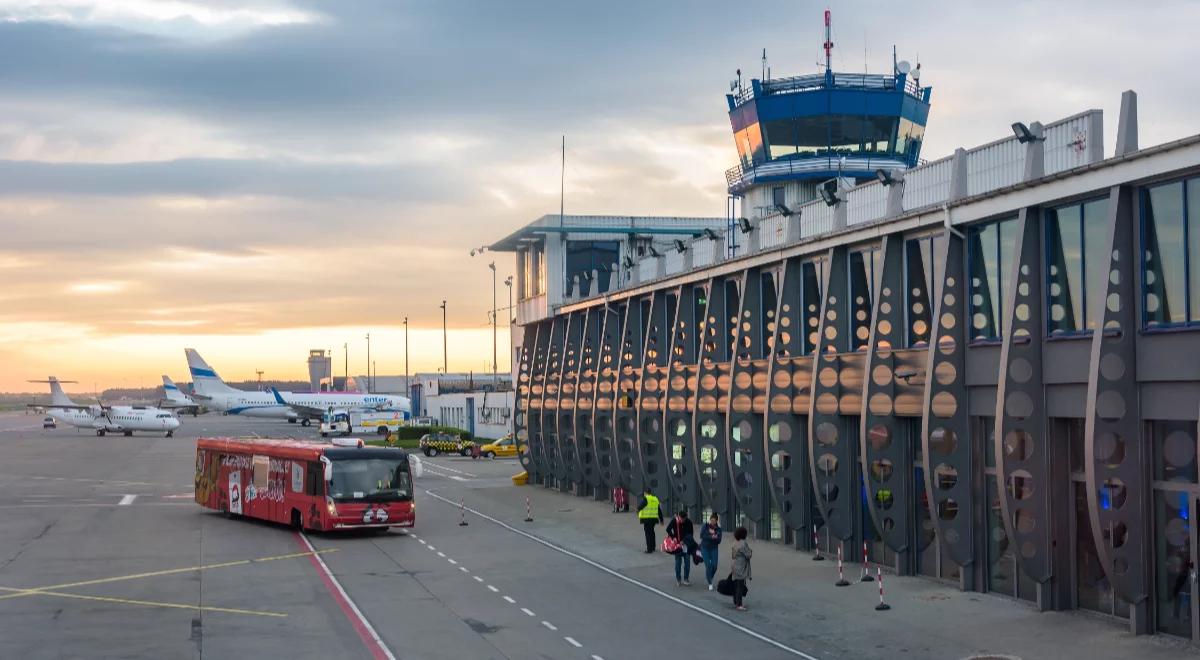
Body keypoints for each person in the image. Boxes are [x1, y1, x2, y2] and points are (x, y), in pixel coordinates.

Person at [665, 510, 696, 586]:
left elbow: (691, 534)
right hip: (677, 545)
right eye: (681, 519)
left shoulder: (688, 522)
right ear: (678, 516)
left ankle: (686, 579)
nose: (682, 521)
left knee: (687, 563)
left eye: (683, 519)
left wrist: (684, 541)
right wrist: (673, 537)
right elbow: (668, 529)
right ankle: (678, 579)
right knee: (678, 563)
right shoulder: (674, 521)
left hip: (686, 545)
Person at [699, 513, 723, 590]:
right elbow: (702, 535)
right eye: (711, 520)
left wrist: (715, 538)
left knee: (714, 566)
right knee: (708, 565)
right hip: (705, 548)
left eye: (714, 521)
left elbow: (719, 540)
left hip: (714, 548)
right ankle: (710, 583)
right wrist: (711, 536)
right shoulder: (705, 526)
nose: (712, 522)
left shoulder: (718, 529)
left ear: (716, 521)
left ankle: (709, 577)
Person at [730, 526, 752, 611]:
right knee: (740, 585)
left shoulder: (735, 542)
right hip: (741, 566)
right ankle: (739, 604)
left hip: (734, 564)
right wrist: (751, 551)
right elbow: (748, 555)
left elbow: (732, 555)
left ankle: (736, 601)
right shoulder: (743, 544)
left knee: (736, 584)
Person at [636, 487, 663, 553]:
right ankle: (653, 547)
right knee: (652, 532)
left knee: (648, 533)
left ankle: (649, 549)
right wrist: (661, 520)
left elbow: (640, 506)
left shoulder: (646, 498)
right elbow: (659, 510)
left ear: (645, 493)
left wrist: (637, 510)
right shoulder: (655, 499)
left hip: (647, 519)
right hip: (654, 519)